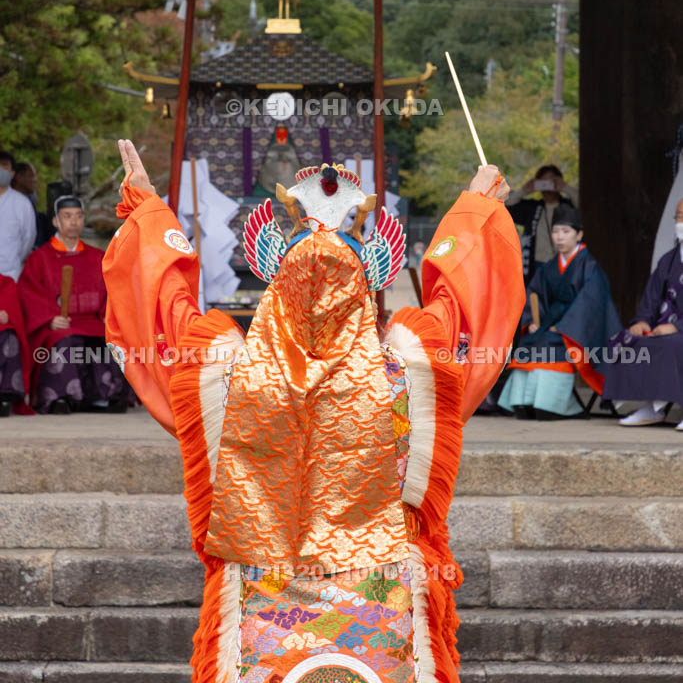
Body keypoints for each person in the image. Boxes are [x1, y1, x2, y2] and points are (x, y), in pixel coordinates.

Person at [104, 140, 525, 683]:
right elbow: (466, 307)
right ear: (364, 290)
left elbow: (163, 309)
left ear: (275, 288)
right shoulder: (409, 373)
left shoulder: (223, 374)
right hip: (381, 609)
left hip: (263, 605)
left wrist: (145, 208)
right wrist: (478, 208)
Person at [498, 204, 620, 419]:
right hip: (550, 322)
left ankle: (552, 405)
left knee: (548, 344)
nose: (560, 238)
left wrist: (564, 327)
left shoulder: (590, 266)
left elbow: (592, 305)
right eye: (555, 232)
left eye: (566, 232)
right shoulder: (550, 266)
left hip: (576, 329)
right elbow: (533, 292)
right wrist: (533, 320)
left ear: (579, 234)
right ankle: (523, 402)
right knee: (530, 342)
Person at [19, 195, 130, 414]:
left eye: (78, 216)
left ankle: (103, 396)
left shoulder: (98, 257)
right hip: (60, 323)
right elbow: (28, 293)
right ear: (55, 221)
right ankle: (60, 396)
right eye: (67, 216)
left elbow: (113, 291)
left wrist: (110, 315)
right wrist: (50, 319)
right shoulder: (39, 258)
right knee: (65, 339)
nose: (74, 222)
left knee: (107, 339)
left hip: (92, 320)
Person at [604, 198, 683, 430]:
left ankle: (660, 406)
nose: (682, 222)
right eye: (679, 216)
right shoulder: (669, 260)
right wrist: (641, 321)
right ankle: (651, 406)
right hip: (664, 328)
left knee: (671, 344)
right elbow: (652, 298)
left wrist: (677, 326)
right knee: (632, 340)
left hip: (677, 330)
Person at [506, 164, 579, 285]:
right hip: (537, 265)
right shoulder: (533, 208)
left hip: (565, 264)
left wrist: (565, 187)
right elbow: (506, 206)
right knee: (537, 302)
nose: (547, 187)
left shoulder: (568, 207)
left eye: (551, 182)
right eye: (543, 183)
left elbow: (585, 205)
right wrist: (525, 190)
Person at [0, 150, 36, 281]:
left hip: (10, 275)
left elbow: (28, 239)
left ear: (12, 173)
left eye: (4, 165)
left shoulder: (22, 203)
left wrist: (13, 259)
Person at [0, 273, 32, 415]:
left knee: (9, 335)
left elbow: (8, 314)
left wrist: (5, 315)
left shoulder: (5, 282)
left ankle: (5, 396)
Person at [12, 160, 51, 248]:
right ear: (19, 178)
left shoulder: (29, 203)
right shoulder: (13, 205)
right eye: (31, 176)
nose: (35, 180)